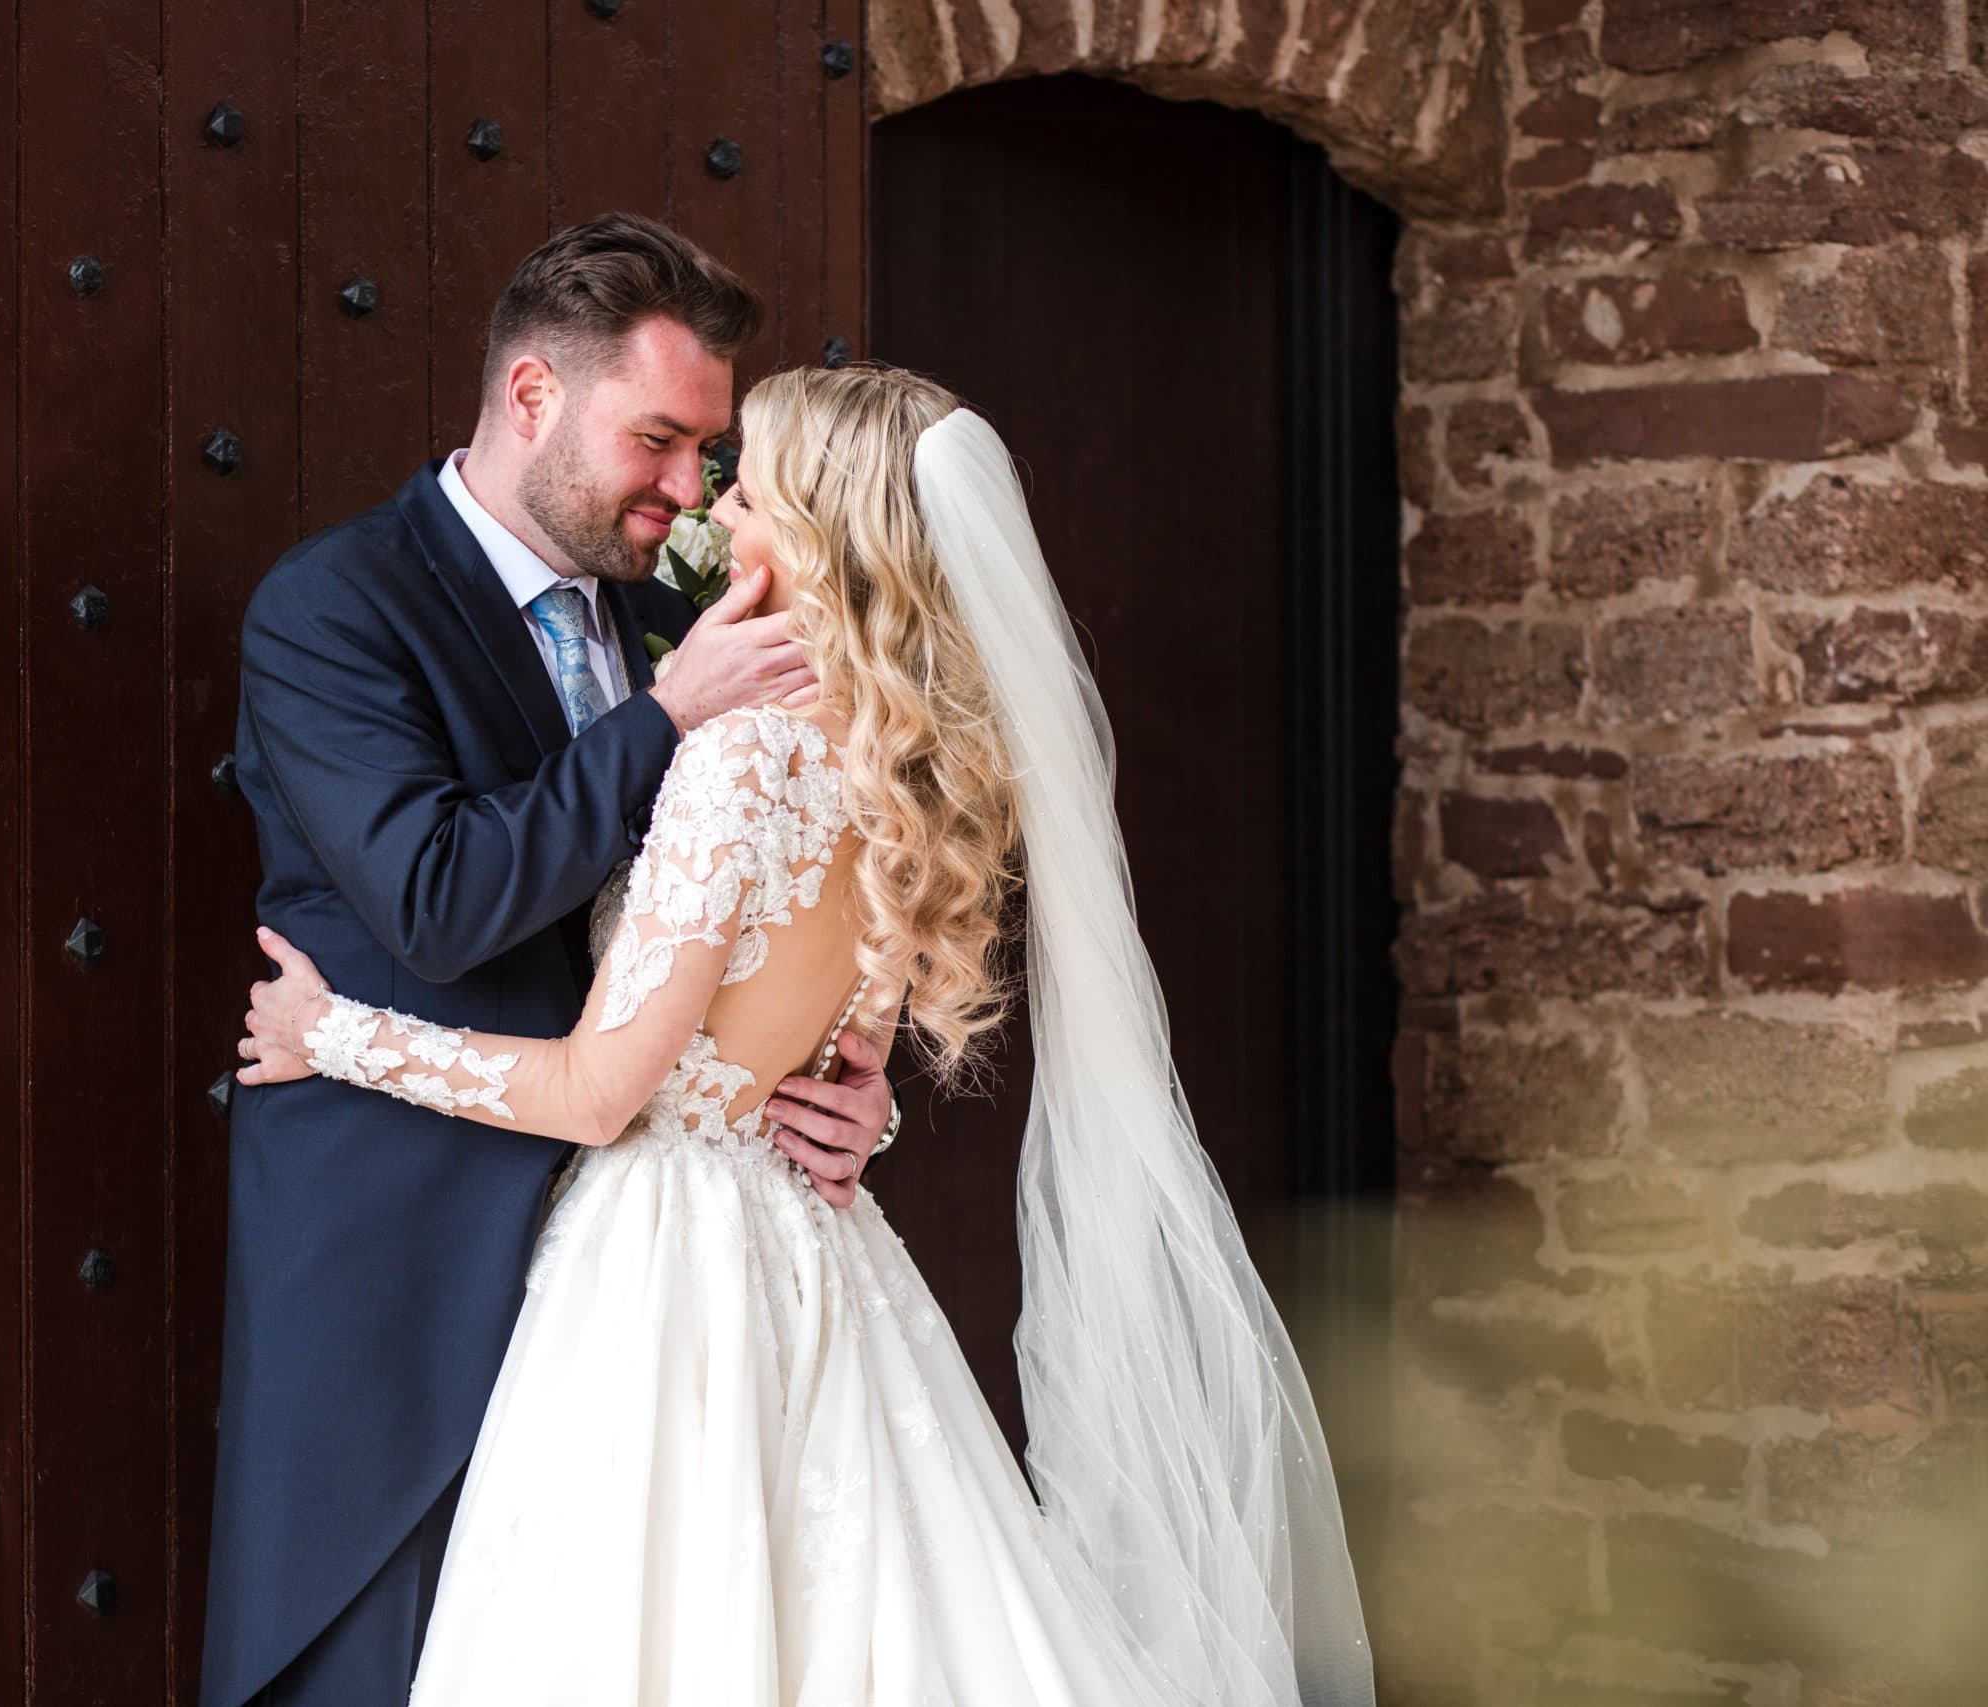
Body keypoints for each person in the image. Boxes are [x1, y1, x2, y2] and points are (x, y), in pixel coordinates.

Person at [238, 363, 1379, 1705]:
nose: (722, 507)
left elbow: (605, 1092)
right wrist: (867, 1112)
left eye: (753, 481)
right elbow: (839, 1061)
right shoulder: (912, 766)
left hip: (665, 1259)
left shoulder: (739, 758)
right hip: (812, 1242)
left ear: (817, 521)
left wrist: (338, 1035)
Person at [200, 215, 898, 1707]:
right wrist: (665, 722)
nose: (687, 492)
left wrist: (847, 1084)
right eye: (657, 441)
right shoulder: (337, 608)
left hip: (649, 1267)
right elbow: (435, 903)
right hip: (401, 1237)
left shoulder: (676, 622)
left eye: (707, 455)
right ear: (531, 397)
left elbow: (797, 887)